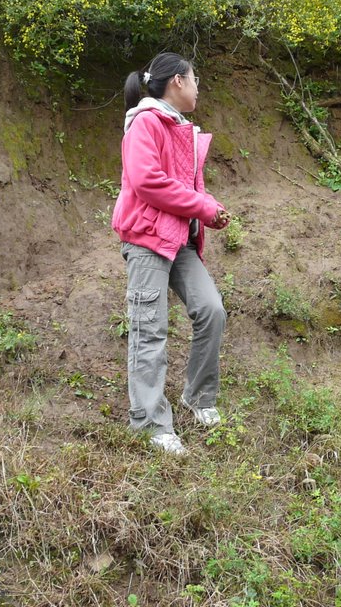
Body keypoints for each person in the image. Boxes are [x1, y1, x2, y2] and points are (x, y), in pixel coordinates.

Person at [111, 52, 231, 455]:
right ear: (177, 81)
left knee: (211, 309)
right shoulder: (146, 122)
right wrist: (202, 207)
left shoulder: (179, 126)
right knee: (150, 330)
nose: (198, 88)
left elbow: (188, 187)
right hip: (147, 238)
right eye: (195, 79)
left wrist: (209, 208)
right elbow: (148, 181)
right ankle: (149, 423)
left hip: (178, 239)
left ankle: (198, 398)